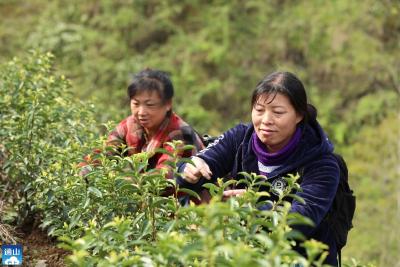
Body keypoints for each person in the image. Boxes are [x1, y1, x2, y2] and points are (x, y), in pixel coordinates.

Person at [176, 71, 340, 266]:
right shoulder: (240, 138)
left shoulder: (322, 163)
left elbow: (299, 223)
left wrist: (255, 204)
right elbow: (201, 165)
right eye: (259, 110)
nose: (266, 120)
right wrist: (189, 169)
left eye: (278, 112)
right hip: (244, 256)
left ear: (299, 115)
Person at [80, 68, 205, 190]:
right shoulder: (129, 125)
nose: (141, 112)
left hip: (187, 203)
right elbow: (102, 152)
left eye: (150, 105)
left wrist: (117, 181)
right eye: (136, 104)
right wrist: (84, 169)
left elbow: (164, 176)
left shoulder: (179, 133)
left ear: (168, 104)